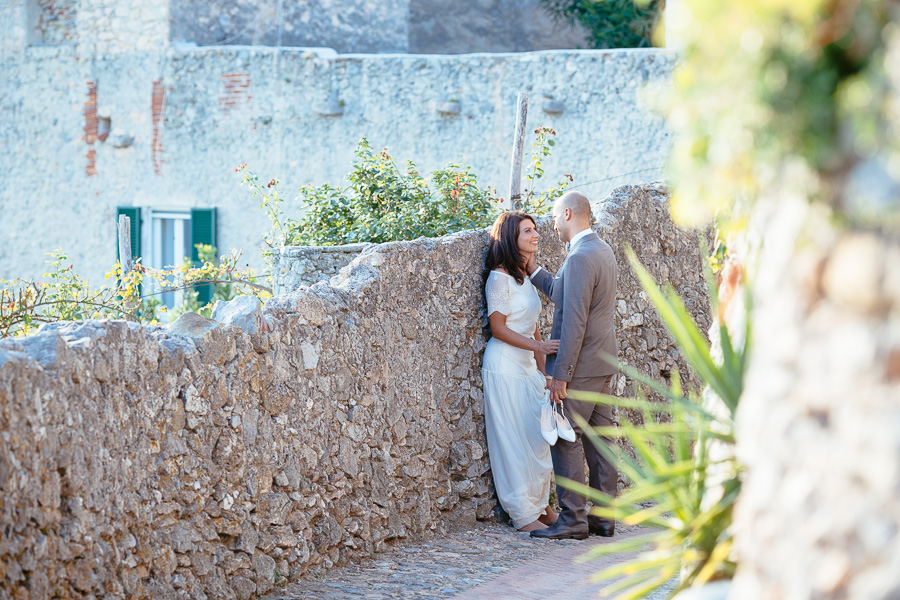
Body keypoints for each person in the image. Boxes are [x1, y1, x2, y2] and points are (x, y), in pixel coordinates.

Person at [526, 191, 619, 540]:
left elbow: (574, 320)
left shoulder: (580, 257)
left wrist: (559, 375)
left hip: (580, 365)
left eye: (553, 216)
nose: (550, 224)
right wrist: (532, 270)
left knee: (564, 439)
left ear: (567, 214)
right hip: (602, 361)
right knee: (600, 441)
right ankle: (604, 518)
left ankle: (573, 520)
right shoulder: (600, 250)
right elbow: (565, 293)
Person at [482, 210, 560, 532]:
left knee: (537, 439)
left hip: (528, 368)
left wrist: (545, 373)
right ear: (512, 238)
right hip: (504, 367)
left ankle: (542, 507)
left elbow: (533, 327)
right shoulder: (498, 278)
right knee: (514, 442)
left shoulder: (523, 277)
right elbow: (498, 328)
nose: (535, 235)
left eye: (536, 229)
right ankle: (524, 515)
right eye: (528, 231)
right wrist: (538, 349)